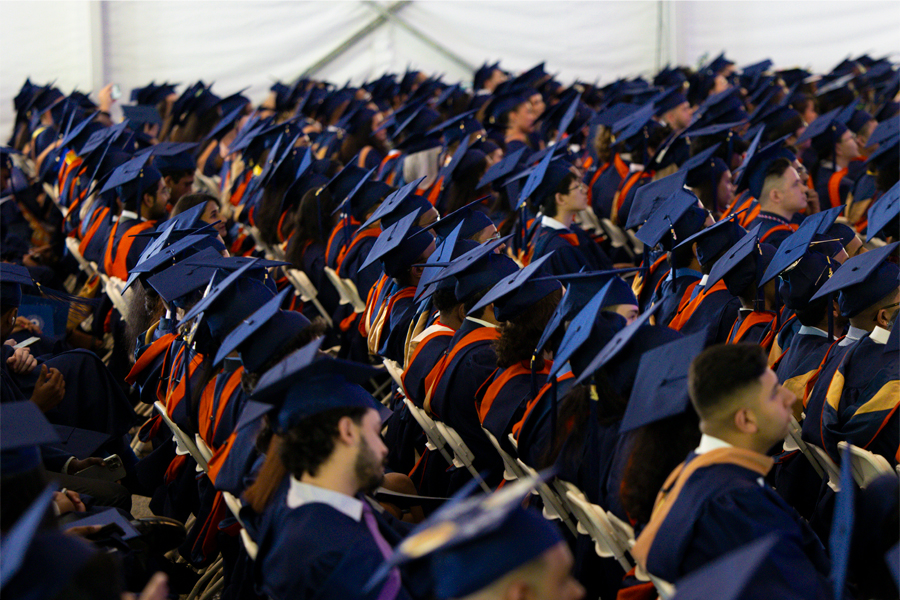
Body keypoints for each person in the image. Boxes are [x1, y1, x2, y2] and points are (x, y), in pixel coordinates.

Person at [629, 343, 834, 599]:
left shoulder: (686, 475)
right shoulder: (736, 504)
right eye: (773, 393)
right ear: (746, 420)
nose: (789, 397)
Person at [245, 341, 427, 600]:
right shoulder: (336, 554)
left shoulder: (314, 498)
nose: (384, 450)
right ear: (347, 432)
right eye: (375, 433)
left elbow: (394, 532)